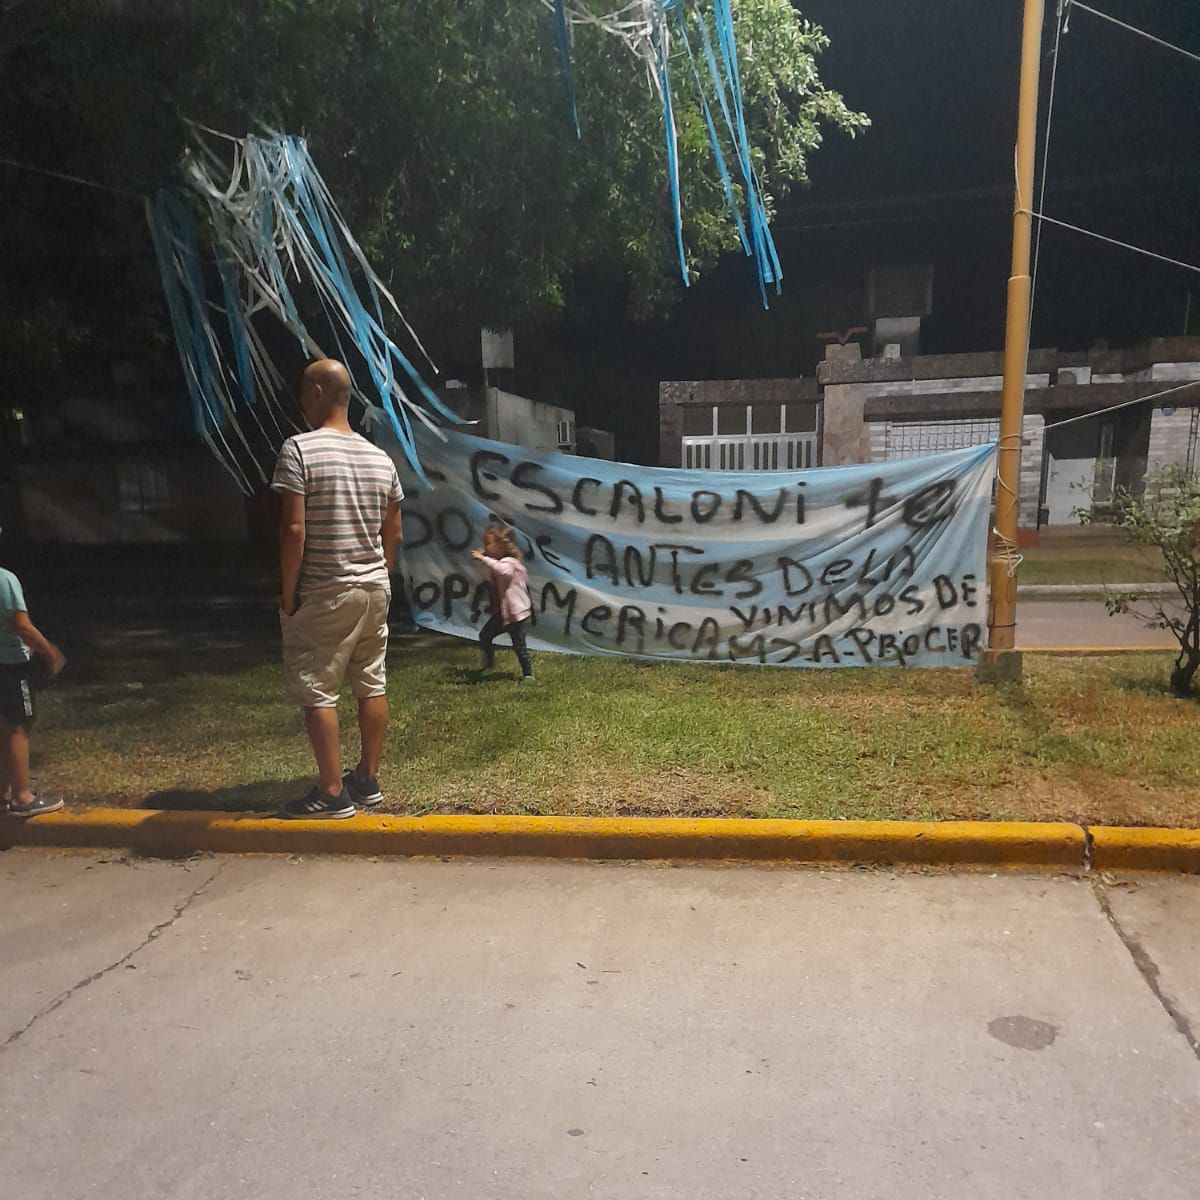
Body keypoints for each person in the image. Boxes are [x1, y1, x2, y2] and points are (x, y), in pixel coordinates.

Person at [271, 359, 404, 819]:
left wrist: (289, 593)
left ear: (319, 391)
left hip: (327, 589)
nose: (301, 403)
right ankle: (366, 779)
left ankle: (331, 792)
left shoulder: (299, 450)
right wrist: (380, 574)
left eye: (304, 392)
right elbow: (395, 531)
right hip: (373, 590)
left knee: (317, 688)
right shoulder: (379, 457)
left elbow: (293, 530)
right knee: (371, 682)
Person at [1, 566, 66, 817]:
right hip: (10, 666)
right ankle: (22, 797)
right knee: (18, 726)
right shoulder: (5, 580)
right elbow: (21, 625)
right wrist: (49, 652)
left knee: (2, 728)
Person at [472, 525, 534, 683]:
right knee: (485, 635)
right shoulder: (503, 562)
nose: (485, 548)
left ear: (500, 546)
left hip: (517, 615)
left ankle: (528, 674)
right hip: (504, 613)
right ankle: (488, 665)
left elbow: (503, 571)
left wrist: (483, 558)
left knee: (519, 646)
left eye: (488, 544)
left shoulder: (510, 563)